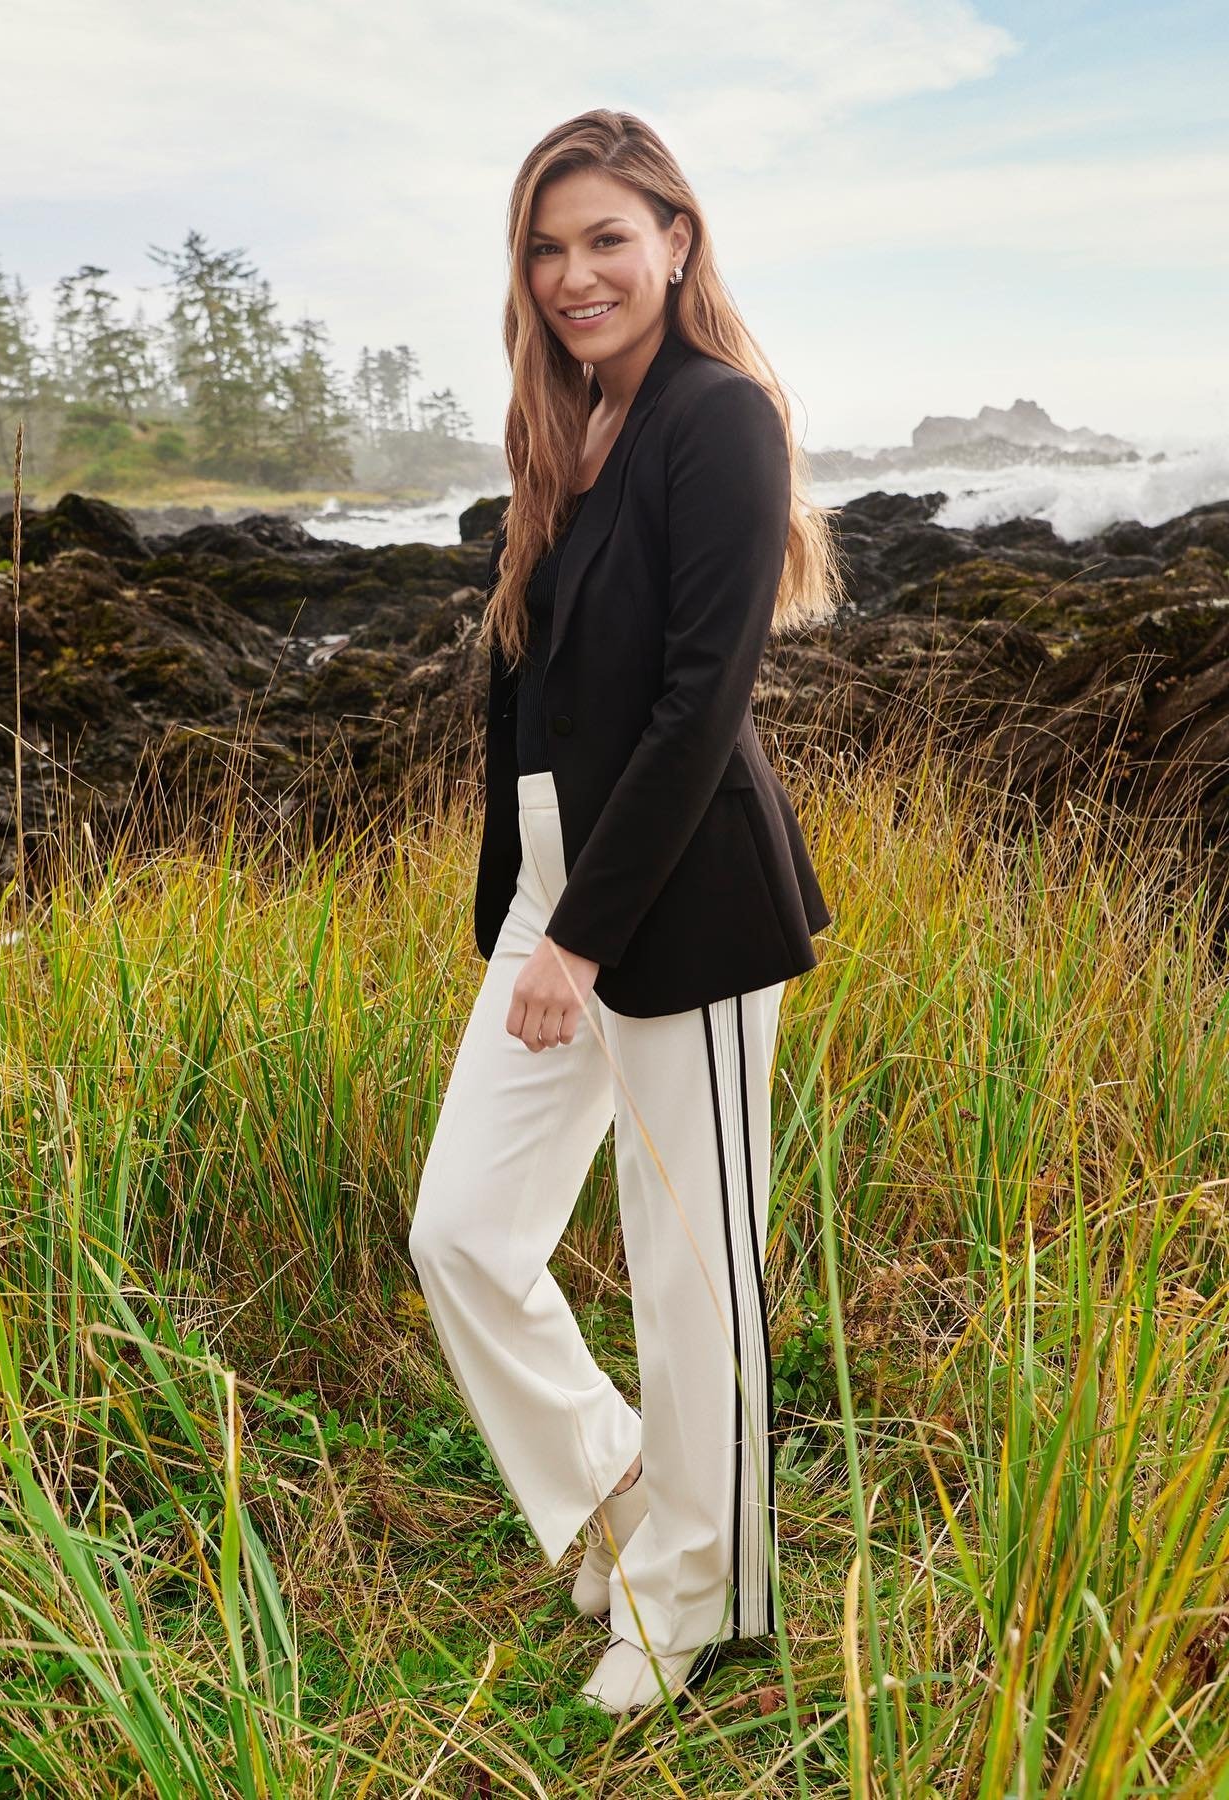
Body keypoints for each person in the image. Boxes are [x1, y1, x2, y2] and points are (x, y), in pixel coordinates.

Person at [408, 108, 843, 1718]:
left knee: (691, 1270)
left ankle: (704, 1597)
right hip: (555, 881)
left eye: (606, 237)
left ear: (676, 239)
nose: (575, 273)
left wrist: (581, 939)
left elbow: (698, 699)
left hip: (681, 902)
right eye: (548, 245)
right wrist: (541, 913)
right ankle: (621, 1489)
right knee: (462, 1232)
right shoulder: (572, 422)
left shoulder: (718, 416)